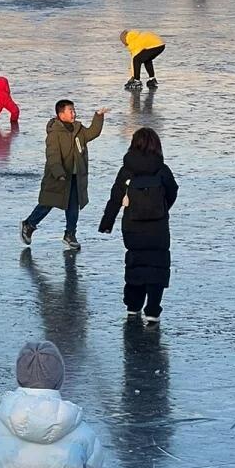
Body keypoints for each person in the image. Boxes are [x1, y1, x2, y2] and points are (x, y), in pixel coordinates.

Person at [98, 127, 178, 323]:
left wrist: (107, 224)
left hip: (132, 226)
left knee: (135, 264)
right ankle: (152, 310)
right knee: (157, 267)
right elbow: (172, 191)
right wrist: (162, 208)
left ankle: (133, 306)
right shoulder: (162, 169)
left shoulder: (127, 170)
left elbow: (116, 196)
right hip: (158, 228)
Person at [20, 99, 106, 251]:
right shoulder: (54, 134)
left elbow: (93, 132)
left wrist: (98, 116)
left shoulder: (78, 130)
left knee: (73, 206)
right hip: (57, 177)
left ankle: (70, 234)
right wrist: (59, 173)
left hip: (74, 177)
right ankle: (29, 224)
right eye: (70, 111)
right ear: (61, 114)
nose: (74, 113)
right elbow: (52, 156)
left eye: (74, 110)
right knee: (47, 203)